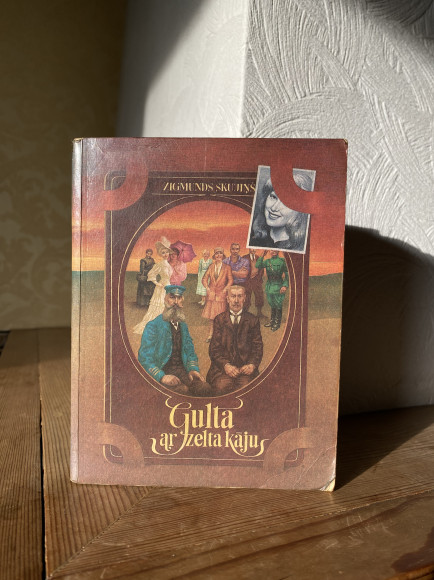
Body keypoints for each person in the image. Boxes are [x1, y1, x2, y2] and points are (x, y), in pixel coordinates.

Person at [138, 285, 212, 396]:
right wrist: (161, 376)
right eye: (172, 297)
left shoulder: (183, 326)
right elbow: (144, 359)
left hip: (183, 371)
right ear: (165, 299)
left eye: (179, 298)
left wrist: (192, 369)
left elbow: (190, 351)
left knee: (205, 388)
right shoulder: (153, 326)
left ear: (182, 300)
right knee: (183, 391)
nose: (176, 302)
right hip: (163, 371)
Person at [207, 285, 263, 395]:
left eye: (239, 296)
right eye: (233, 296)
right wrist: (226, 365)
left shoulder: (253, 320)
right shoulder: (219, 320)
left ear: (244, 298)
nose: (236, 301)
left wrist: (251, 365)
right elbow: (214, 350)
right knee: (221, 388)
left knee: (246, 389)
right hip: (222, 371)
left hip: (245, 371)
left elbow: (258, 348)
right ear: (227, 299)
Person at [249, 178, 309, 252]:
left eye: (286, 202)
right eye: (273, 197)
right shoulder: (255, 238)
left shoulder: (302, 247)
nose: (274, 208)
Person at [133, 237, 173, 335]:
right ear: (160, 254)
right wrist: (157, 283)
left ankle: (165, 327)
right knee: (160, 306)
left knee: (168, 306)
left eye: (166, 252)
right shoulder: (160, 264)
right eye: (163, 253)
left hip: (168, 287)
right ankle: (156, 326)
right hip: (162, 288)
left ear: (169, 253)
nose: (165, 254)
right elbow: (151, 274)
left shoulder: (168, 265)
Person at [201, 247, 233, 342]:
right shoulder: (211, 266)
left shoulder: (227, 267)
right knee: (211, 318)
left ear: (223, 255)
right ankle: (210, 335)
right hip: (211, 296)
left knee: (221, 317)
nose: (218, 255)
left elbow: (230, 280)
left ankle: (221, 336)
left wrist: (225, 289)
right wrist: (207, 288)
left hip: (221, 296)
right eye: (217, 254)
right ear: (214, 256)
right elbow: (204, 278)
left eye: (220, 253)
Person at [255, 249, 289, 332]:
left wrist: (285, 285)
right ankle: (272, 321)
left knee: (278, 304)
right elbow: (258, 265)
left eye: (275, 250)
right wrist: (262, 254)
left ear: (278, 251)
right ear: (269, 251)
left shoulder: (282, 261)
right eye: (271, 250)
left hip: (278, 285)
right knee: (272, 304)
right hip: (269, 286)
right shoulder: (267, 261)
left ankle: (277, 323)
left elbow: (287, 274)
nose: (273, 251)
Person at [242, 248, 264, 317]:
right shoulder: (244, 258)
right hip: (247, 280)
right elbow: (242, 269)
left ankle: (259, 313)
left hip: (256, 280)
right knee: (247, 296)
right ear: (249, 249)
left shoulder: (258, 258)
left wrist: (258, 278)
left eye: (254, 249)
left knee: (259, 295)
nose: (253, 250)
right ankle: (245, 312)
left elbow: (261, 269)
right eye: (252, 248)